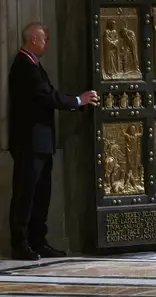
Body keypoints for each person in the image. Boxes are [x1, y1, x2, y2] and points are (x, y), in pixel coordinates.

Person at [8, 22, 99, 260]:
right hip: (29, 143)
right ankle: (21, 243)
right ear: (34, 40)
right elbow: (47, 96)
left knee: (41, 196)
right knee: (25, 195)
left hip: (41, 142)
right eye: (45, 39)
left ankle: (38, 240)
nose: (48, 43)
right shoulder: (24, 66)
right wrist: (78, 101)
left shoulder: (34, 65)